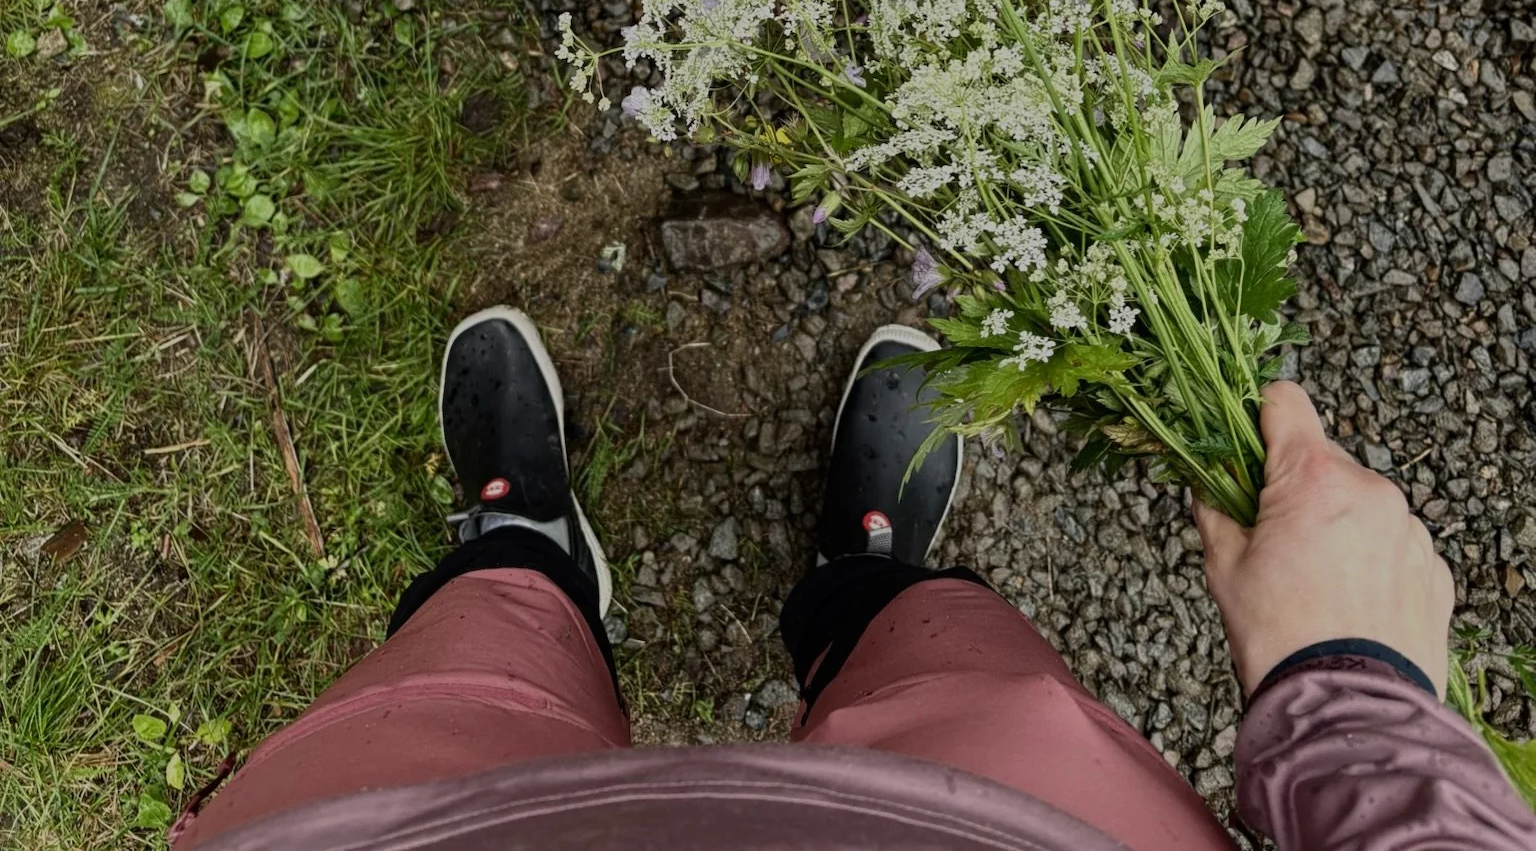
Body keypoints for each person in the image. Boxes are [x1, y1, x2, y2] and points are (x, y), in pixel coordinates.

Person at [170, 304, 1532, 851]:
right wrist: (1357, 691)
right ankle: (870, 581)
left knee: (464, 676)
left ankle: (524, 552)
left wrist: (1359, 685)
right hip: (1020, 827)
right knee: (962, 668)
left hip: (382, 834)